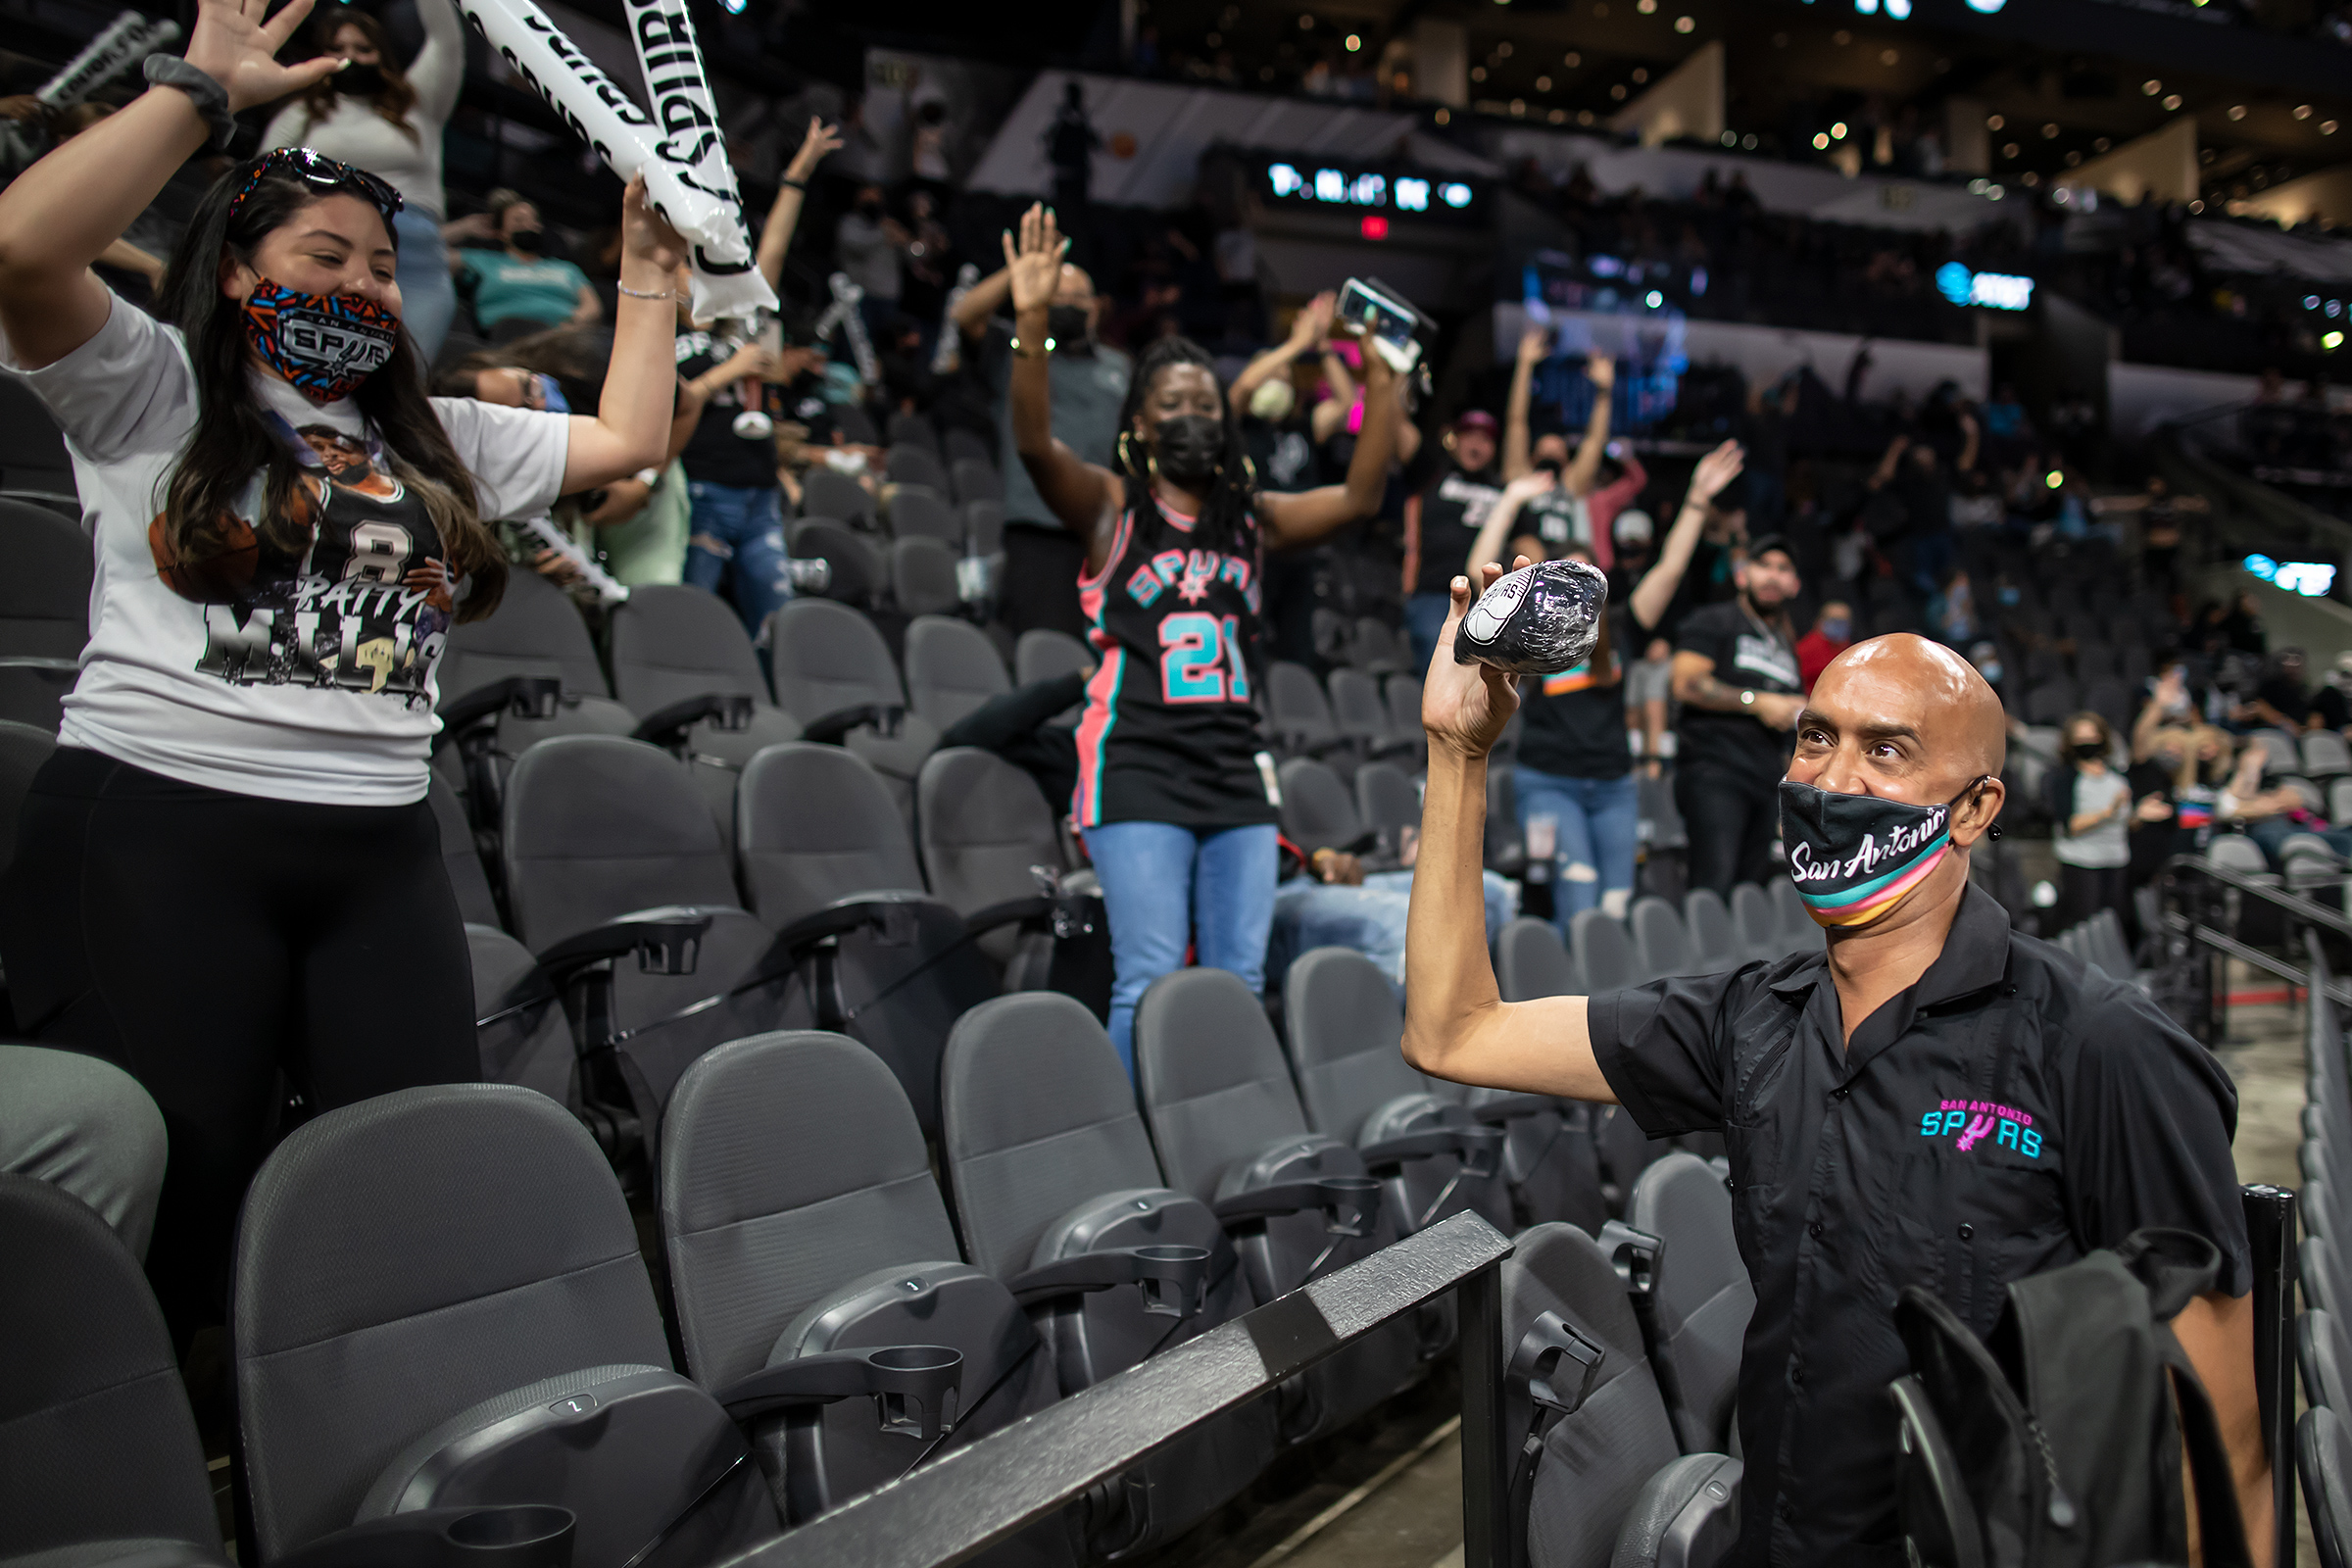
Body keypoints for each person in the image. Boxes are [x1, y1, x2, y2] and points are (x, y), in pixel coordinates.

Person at [0, 0, 688, 1339]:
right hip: (162, 829)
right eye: (326, 257)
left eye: (381, 265)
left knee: (406, 1168)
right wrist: (197, 92)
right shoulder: (150, 387)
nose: (367, 286)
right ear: (237, 274)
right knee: (176, 1196)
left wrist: (647, 269)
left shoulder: (432, 438)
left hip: (377, 847)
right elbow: (24, 247)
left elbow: (628, 441)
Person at [1401, 615, 2270, 1567]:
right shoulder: (1749, 1019)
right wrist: (1458, 754)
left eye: (1886, 750)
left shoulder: (2103, 1046)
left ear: (1976, 808)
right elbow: (1454, 1031)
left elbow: (2224, 1443)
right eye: (1816, 737)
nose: (1834, 779)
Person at [1000, 203, 1399, 1068]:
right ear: (1141, 424)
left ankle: (1219, 1124)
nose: (1192, 414)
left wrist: (1383, 380)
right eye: (1173, 402)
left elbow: (1359, 498)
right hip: (1136, 765)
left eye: (1206, 403)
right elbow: (1033, 445)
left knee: (1237, 980)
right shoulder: (1110, 508)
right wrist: (1032, 322)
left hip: (1232, 772)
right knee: (1148, 976)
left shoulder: (1252, 519)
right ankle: (1132, 1132)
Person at [1468, 441, 1746, 928]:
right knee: (1579, 906)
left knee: (1616, 911)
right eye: (1566, 575)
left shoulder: (1619, 625)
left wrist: (1697, 499)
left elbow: (1670, 569)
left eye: (1588, 574)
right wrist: (1510, 501)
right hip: (1550, 781)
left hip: (1615, 785)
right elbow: (1478, 575)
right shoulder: (1529, 630)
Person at [263, 0, 464, 358]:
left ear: (382, 54)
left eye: (363, 48)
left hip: (417, 260)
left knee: (407, 374)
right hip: (328, 249)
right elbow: (264, 176)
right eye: (338, 49)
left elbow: (446, 40)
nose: (351, 58)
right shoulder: (302, 112)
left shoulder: (417, 102)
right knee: (325, 367)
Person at [952, 244, 1131, 640]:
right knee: (1045, 646)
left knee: (1103, 644)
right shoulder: (1016, 351)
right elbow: (965, 315)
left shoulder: (1117, 366)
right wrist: (1019, 273)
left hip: (1104, 529)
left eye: (1079, 297)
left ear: (1096, 307)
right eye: (1059, 294)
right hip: (1038, 527)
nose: (1070, 304)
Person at [1670, 535, 1806, 895]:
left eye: (1783, 569)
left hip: (1766, 781)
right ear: (1743, 575)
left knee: (1750, 894)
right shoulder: (1715, 620)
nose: (1772, 576)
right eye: (1764, 566)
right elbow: (1685, 684)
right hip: (1715, 770)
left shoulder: (1786, 646)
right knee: (1714, 885)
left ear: (1794, 584)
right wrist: (1757, 701)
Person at [1500, 326, 1642, 571]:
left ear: (1567, 460)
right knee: (1526, 544)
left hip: (1566, 563)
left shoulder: (1571, 485)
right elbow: (1516, 424)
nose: (1552, 453)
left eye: (1558, 451)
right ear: (1532, 457)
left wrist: (1604, 392)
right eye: (1545, 451)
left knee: (1581, 554)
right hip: (1526, 566)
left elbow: (1594, 441)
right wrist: (1524, 366)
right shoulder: (1521, 478)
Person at [1401, 409, 1503, 672]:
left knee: (1497, 676)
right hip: (1435, 594)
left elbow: (1526, 539)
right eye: (1469, 436)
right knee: (1441, 666)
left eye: (1485, 439)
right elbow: (1401, 433)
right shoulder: (1433, 472)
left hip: (1487, 601)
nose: (1476, 445)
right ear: (1455, 440)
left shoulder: (1502, 489)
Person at [450, 191, 599, 342]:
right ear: (502, 232)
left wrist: (573, 323)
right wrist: (463, 228)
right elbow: (435, 257)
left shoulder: (567, 268)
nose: (528, 225)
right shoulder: (483, 260)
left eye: (533, 220)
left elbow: (593, 306)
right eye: (518, 220)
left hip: (560, 338)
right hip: (504, 337)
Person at [2045, 711, 2135, 933]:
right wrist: (2107, 813)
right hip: (2082, 861)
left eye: (2093, 737)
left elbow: (2126, 820)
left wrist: (2141, 814)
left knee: (2114, 925)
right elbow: (2070, 826)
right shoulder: (2066, 779)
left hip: (2115, 858)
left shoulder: (2116, 776)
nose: (2088, 744)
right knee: (2086, 926)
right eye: (2081, 739)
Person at [835, 182, 907, 342]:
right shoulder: (850, 223)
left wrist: (905, 239)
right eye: (867, 198)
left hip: (888, 296)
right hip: (860, 295)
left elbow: (912, 254)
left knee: (885, 344)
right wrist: (884, 233)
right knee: (855, 344)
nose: (873, 202)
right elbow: (856, 246)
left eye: (876, 198)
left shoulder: (889, 223)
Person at [1796, 600, 1853, 691]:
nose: (1839, 625)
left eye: (1843, 621)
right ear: (1820, 622)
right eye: (1834, 620)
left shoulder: (1848, 648)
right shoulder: (1807, 648)